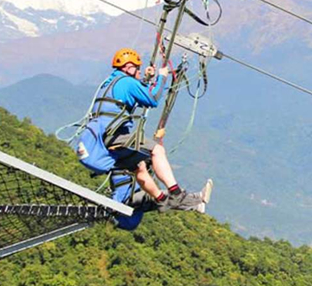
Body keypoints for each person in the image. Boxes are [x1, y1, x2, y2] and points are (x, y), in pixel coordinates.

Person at [75, 48, 211, 228]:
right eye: (137, 68)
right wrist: (162, 77)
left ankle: (163, 199)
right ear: (129, 67)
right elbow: (152, 99)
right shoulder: (126, 82)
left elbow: (131, 94)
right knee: (157, 150)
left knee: (139, 166)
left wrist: (146, 80)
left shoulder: (111, 83)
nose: (139, 71)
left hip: (104, 139)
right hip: (115, 137)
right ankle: (176, 194)